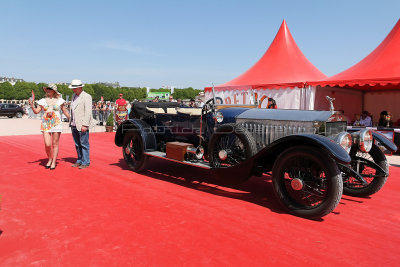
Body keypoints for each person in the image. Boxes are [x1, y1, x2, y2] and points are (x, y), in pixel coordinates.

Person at [29, 84, 70, 170]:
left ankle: (53, 161)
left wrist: (71, 118)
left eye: (49, 89)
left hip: (56, 123)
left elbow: (64, 110)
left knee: (55, 144)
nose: (47, 90)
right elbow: (36, 111)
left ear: (54, 91)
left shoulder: (60, 101)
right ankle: (50, 158)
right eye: (47, 89)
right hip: (45, 124)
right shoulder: (42, 101)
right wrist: (32, 106)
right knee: (47, 144)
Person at [69, 79, 94, 169]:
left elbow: (88, 112)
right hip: (74, 123)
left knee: (84, 143)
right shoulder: (73, 96)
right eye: (73, 88)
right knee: (77, 144)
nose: (73, 90)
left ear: (80, 87)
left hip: (82, 124)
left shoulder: (87, 96)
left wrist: (85, 124)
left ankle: (85, 161)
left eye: (75, 88)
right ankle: (79, 160)